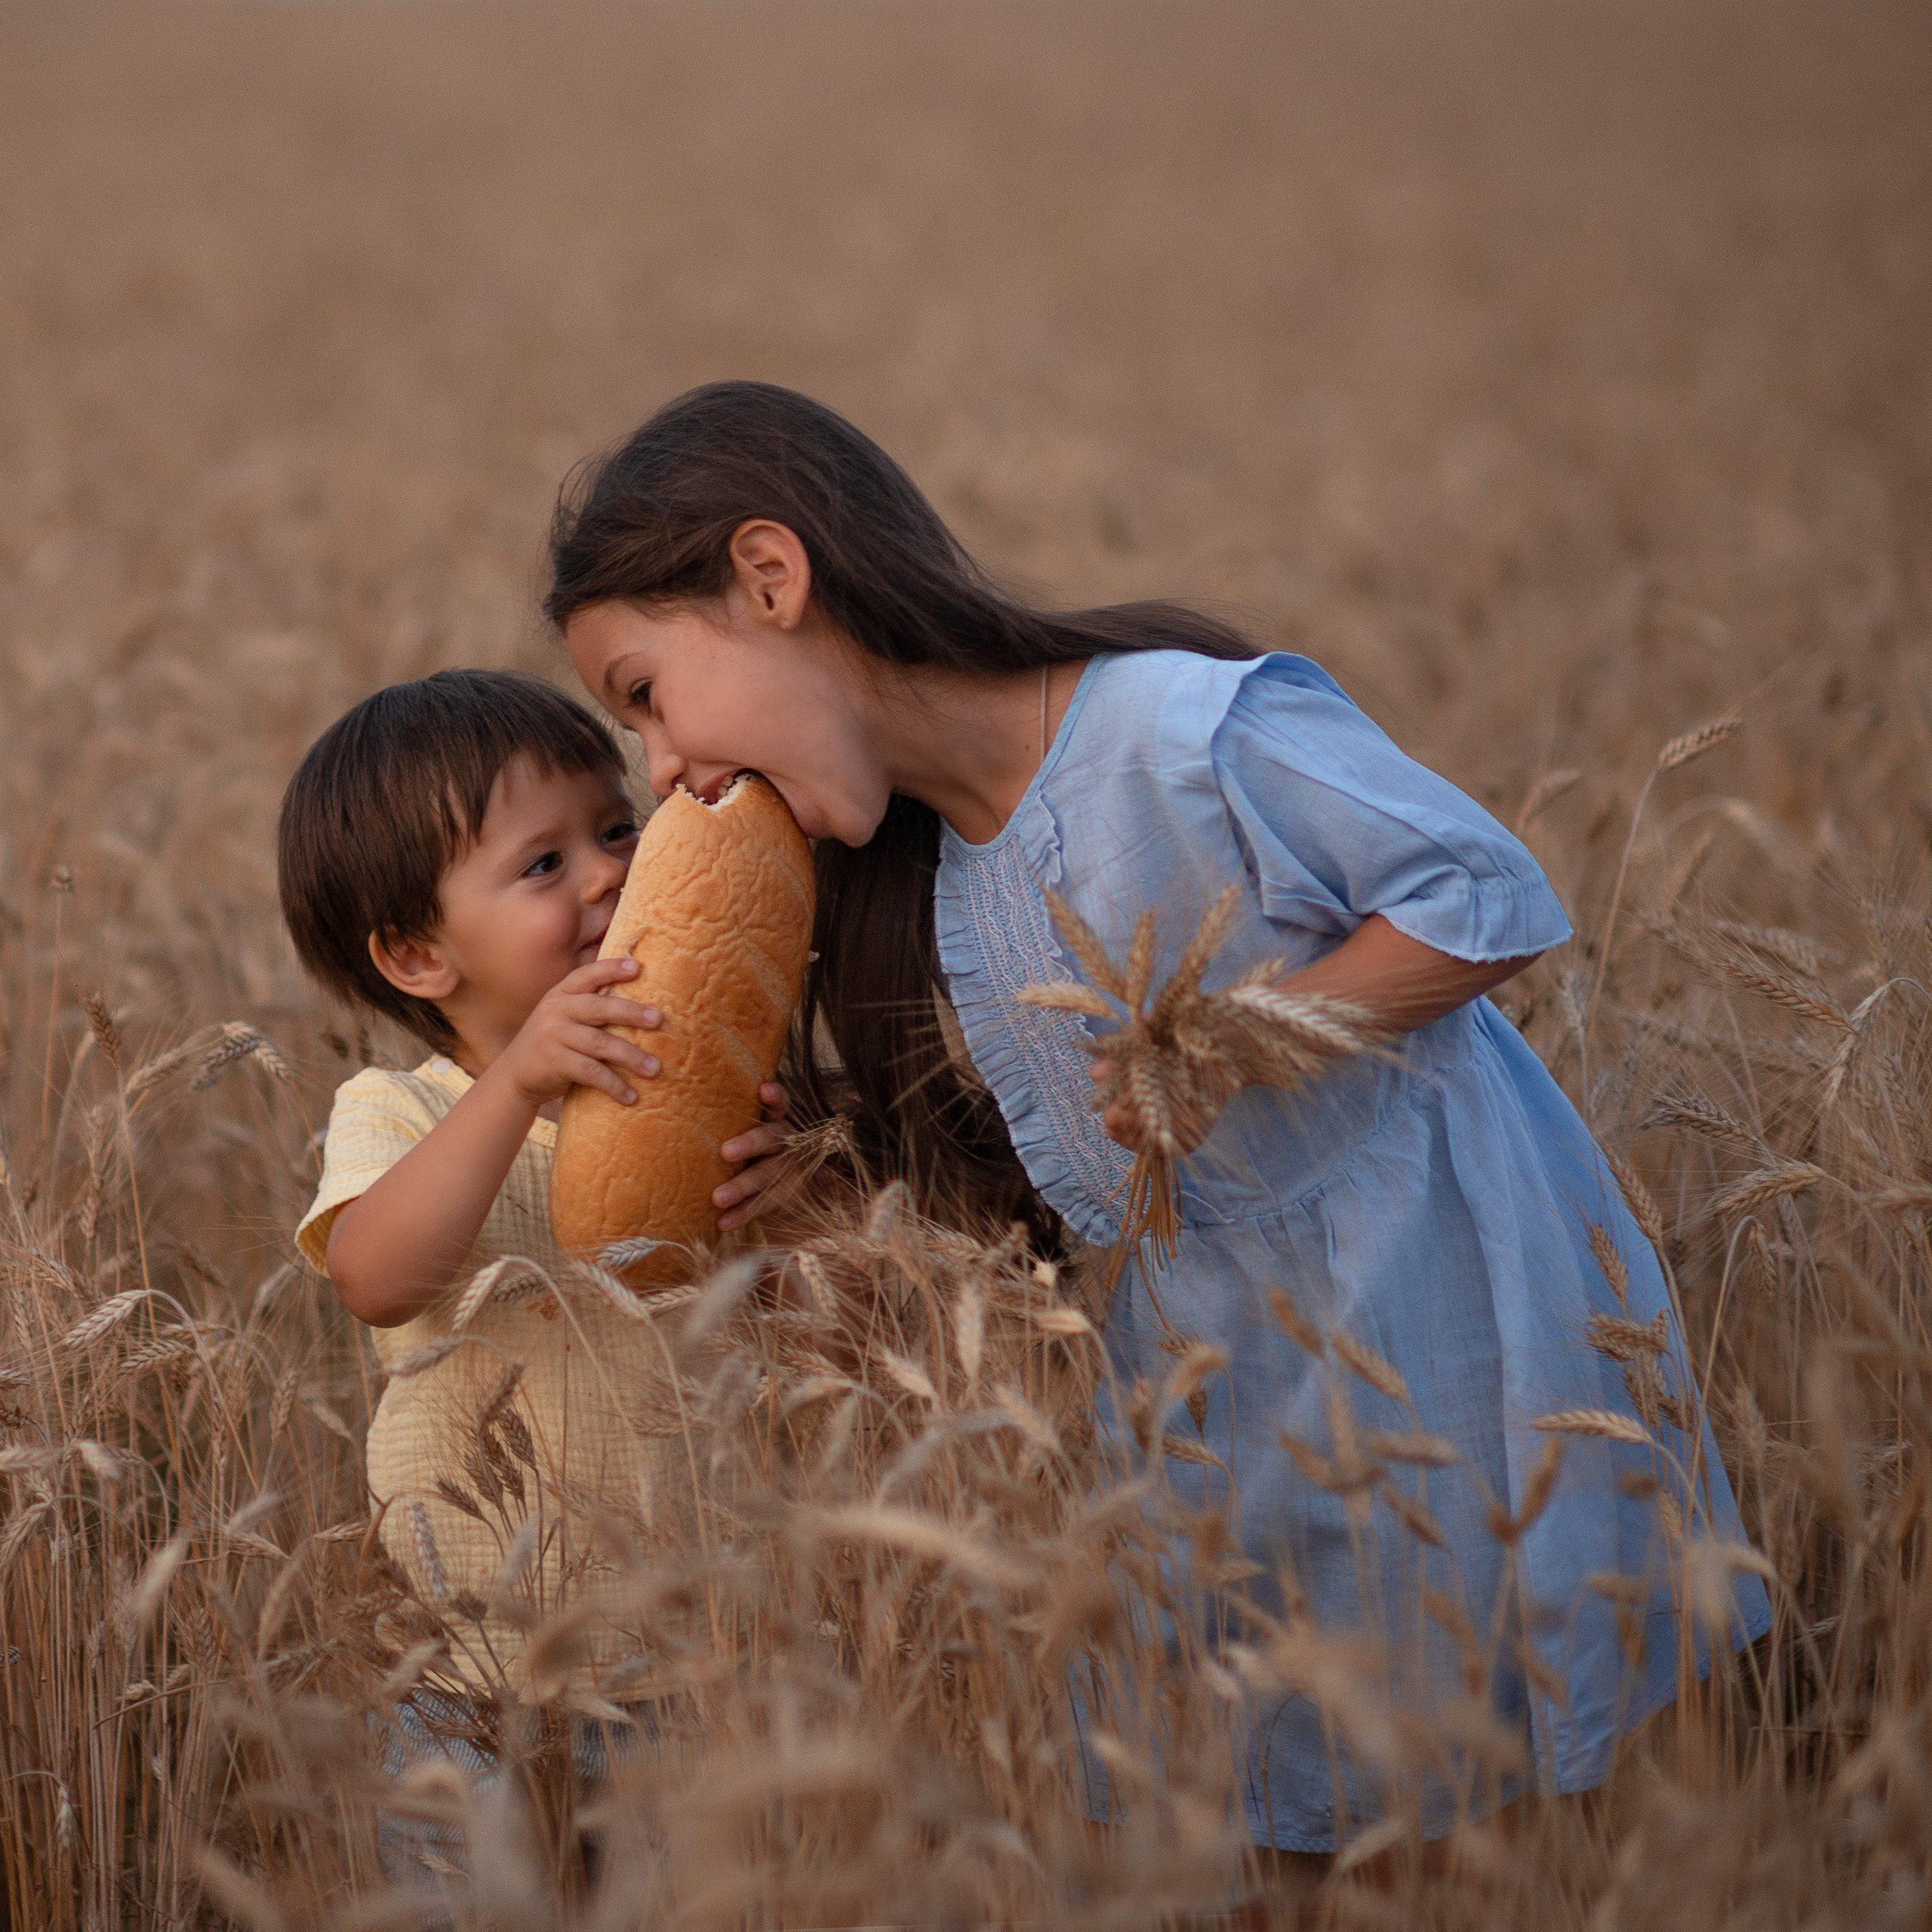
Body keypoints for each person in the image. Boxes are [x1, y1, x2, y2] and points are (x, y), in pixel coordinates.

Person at [543, 380, 1771, 1854]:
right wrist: (827, 1194)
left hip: (1441, 1333)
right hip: (1209, 1405)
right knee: (1279, 1828)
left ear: (768, 577)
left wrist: (1247, 1035)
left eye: (645, 694)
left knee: (1514, 1806)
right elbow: (1044, 1202)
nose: (663, 771)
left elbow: (1482, 892)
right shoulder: (902, 885)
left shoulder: (1179, 731)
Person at [277, 669, 796, 1869]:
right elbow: (374, 1277)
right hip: (471, 1688)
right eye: (544, 863)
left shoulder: (707, 1102)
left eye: (617, 829)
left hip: (696, 1669)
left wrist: (794, 1202)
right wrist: (517, 1084)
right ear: (418, 956)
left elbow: (810, 1331)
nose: (610, 872)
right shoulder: (405, 1110)